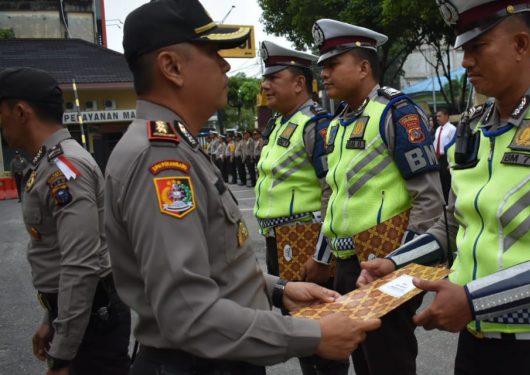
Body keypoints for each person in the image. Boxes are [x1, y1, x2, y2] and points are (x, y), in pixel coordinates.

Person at [104, 1, 380, 374]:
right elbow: (188, 312)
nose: (227, 66)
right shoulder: (160, 160)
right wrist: (310, 335)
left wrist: (277, 290)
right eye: (214, 54)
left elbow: (208, 266)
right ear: (171, 67)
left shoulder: (175, 147)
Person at [357, 1, 530, 373]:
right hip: (476, 343)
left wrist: (473, 299)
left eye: (477, 47)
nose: (465, 61)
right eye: (464, 49)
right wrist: (394, 262)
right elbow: (450, 227)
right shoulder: (473, 128)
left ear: (521, 45)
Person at [306, 18, 443, 375]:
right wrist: (323, 258)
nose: (325, 74)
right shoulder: (336, 123)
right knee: (363, 362)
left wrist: (403, 269)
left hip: (386, 263)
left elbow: (428, 201)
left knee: (390, 362)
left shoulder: (397, 112)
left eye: (334, 64)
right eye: (323, 66)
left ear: (364, 66)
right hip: (347, 264)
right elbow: (333, 199)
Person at [0, 67, 131, 374]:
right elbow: (60, 256)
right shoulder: (47, 164)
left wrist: (63, 356)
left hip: (93, 321)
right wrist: (51, 320)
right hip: (81, 314)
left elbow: (81, 265)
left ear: (20, 111)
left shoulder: (64, 169)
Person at [255, 40, 349, 375]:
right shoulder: (278, 124)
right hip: (279, 242)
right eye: (264, 78)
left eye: (274, 77)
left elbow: (332, 194)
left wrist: (322, 256)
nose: (265, 84)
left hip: (305, 241)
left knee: (319, 340)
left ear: (298, 83)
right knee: (299, 335)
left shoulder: (316, 125)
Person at [433, 107, 456, 202]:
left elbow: (453, 145)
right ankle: (443, 201)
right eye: (437, 116)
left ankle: (449, 202)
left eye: (439, 116)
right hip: (438, 158)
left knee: (447, 182)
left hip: (446, 158)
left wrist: (450, 161)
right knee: (440, 181)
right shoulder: (438, 129)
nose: (437, 118)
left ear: (446, 116)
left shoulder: (452, 129)